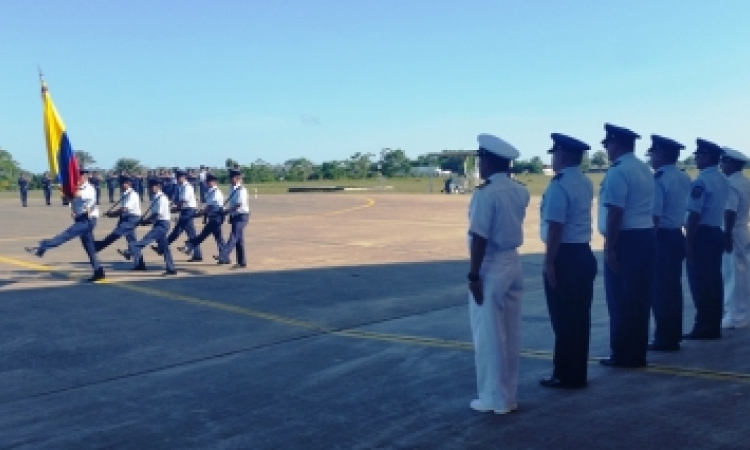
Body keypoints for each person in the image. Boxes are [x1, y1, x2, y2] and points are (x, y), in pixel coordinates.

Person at [467, 134, 529, 415]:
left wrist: (473, 275)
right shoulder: (520, 190)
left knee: (489, 335)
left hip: (491, 265)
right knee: (511, 333)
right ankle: (509, 395)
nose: (480, 165)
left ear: (489, 160)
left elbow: (479, 237)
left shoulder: (486, 194)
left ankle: (494, 398)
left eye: (481, 159)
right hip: (513, 262)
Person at [539, 133, 597, 389]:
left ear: (562, 155)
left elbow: (555, 227)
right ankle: (576, 373)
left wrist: (549, 262)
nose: (553, 158)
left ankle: (564, 374)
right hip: (583, 253)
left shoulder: (559, 185)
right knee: (579, 318)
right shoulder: (584, 182)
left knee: (563, 319)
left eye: (554, 153)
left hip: (565, 256)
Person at [598, 123, 655, 368]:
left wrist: (610, 247)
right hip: (645, 237)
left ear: (617, 145)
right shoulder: (644, 169)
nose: (607, 150)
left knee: (620, 299)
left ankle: (622, 354)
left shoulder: (618, 171)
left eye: (608, 145)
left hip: (626, 240)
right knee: (640, 299)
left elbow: (615, 212)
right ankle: (637, 352)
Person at [647, 135, 692, 352]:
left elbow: (655, 216)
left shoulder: (660, 178)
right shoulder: (684, 177)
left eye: (653, 153)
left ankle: (665, 338)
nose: (651, 158)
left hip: (662, 236)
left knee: (661, 290)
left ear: (662, 154)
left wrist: (650, 242)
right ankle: (673, 334)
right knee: (673, 288)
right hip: (677, 234)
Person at [684, 139, 730, 340]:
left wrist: (688, 242)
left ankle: (703, 326)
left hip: (701, 234)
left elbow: (694, 215)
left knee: (700, 282)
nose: (696, 158)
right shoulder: (722, 179)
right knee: (713, 281)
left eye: (700, 155)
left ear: (709, 157)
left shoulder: (701, 181)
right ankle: (713, 324)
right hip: (715, 232)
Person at [24, 169, 105, 282]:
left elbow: (75, 195)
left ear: (86, 177)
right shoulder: (78, 187)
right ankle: (99, 272)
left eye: (80, 176)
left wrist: (64, 187)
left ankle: (41, 248)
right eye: (76, 176)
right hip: (81, 218)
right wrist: (72, 208)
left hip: (88, 220)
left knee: (66, 235)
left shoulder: (89, 189)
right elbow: (71, 199)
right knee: (89, 248)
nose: (78, 178)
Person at [118, 179, 177, 276]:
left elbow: (157, 214)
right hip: (158, 223)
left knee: (147, 239)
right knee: (165, 247)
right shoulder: (155, 197)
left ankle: (130, 251)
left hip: (162, 224)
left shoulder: (162, 198)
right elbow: (154, 214)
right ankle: (171, 268)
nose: (151, 189)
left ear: (159, 187)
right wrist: (145, 222)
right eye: (150, 187)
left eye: (153, 187)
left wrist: (146, 221)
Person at [720, 147, 750, 329]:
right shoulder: (745, 182)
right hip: (743, 230)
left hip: (733, 231)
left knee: (732, 273)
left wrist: (727, 234)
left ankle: (735, 316)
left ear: (731, 163)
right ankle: (742, 311)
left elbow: (729, 210)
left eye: (723, 161)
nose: (722, 165)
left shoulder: (731, 184)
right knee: (742, 273)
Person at [94, 175, 145, 270]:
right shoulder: (124, 194)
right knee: (132, 241)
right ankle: (139, 264)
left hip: (132, 218)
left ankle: (98, 246)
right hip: (125, 218)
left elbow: (124, 209)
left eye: (125, 183)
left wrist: (112, 214)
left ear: (129, 184)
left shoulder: (132, 195)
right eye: (121, 183)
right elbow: (122, 210)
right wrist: (110, 214)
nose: (122, 185)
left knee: (116, 234)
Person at [154, 170, 202, 261]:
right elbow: (178, 201)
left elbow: (183, 201)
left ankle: (161, 248)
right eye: (177, 177)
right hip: (185, 210)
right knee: (191, 234)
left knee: (177, 231)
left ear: (184, 177)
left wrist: (174, 209)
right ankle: (197, 254)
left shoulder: (187, 187)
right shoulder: (181, 187)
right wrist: (173, 206)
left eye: (179, 177)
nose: (178, 179)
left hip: (189, 210)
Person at [177, 173, 226, 257]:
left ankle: (189, 246)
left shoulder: (216, 192)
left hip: (216, 218)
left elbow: (210, 207)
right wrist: (201, 212)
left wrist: (200, 213)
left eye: (209, 181)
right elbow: (208, 206)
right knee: (218, 238)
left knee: (203, 235)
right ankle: (225, 256)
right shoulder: (210, 191)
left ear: (214, 182)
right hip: (213, 217)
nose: (207, 183)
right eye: (207, 181)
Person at [215, 170, 250, 268]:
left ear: (237, 178)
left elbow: (239, 204)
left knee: (234, 235)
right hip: (235, 216)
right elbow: (230, 201)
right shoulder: (231, 188)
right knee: (239, 240)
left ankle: (223, 254)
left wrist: (227, 211)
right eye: (230, 177)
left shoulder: (242, 190)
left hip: (242, 215)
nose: (230, 179)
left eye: (232, 177)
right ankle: (241, 262)